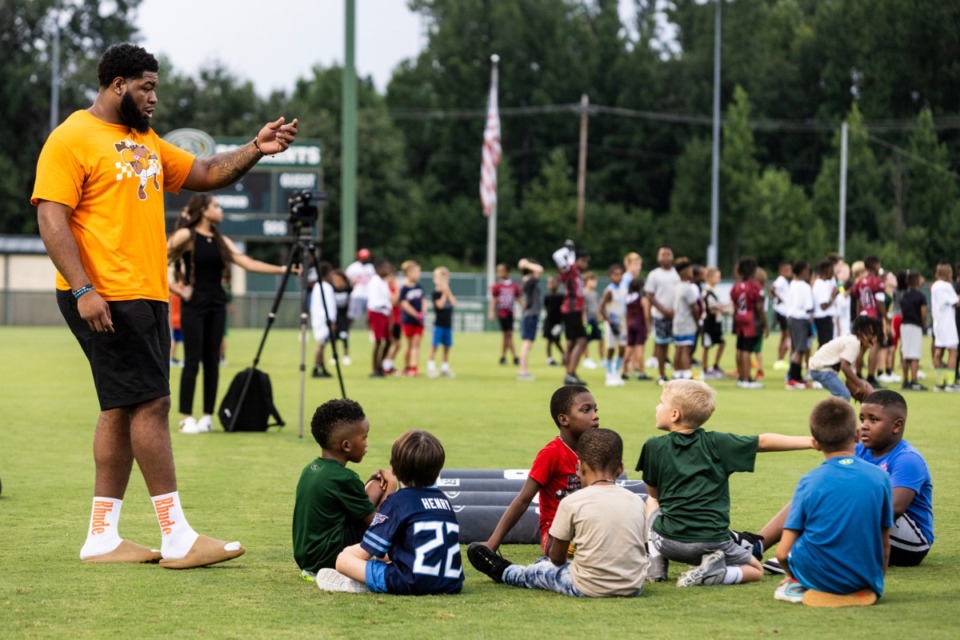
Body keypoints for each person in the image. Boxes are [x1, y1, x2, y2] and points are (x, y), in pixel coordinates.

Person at [33, 43, 297, 568]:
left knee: (121, 407)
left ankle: (102, 536)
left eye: (155, 86)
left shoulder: (144, 140)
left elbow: (204, 173)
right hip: (107, 294)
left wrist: (255, 148)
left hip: (144, 293)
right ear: (116, 85)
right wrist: (84, 289)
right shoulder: (71, 138)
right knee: (151, 403)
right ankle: (176, 535)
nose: (154, 97)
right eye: (146, 86)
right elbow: (51, 218)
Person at [636, 380, 814, 587]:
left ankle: (656, 562)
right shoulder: (718, 444)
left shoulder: (653, 446)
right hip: (715, 543)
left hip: (669, 543)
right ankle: (719, 574)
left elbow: (654, 493)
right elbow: (763, 441)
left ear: (675, 414)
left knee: (651, 502)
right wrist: (811, 441)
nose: (657, 407)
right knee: (756, 569)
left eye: (661, 402)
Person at [468, 428, 647, 597]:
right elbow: (644, 549)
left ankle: (503, 571)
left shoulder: (571, 502)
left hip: (588, 587)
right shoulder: (637, 502)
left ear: (581, 467)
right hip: (633, 586)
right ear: (621, 469)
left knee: (541, 571)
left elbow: (556, 558)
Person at [168, 194, 290, 432]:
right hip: (194, 302)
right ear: (203, 211)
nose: (220, 209)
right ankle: (186, 417)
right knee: (192, 360)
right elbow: (155, 260)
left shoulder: (220, 240)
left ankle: (206, 416)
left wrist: (284, 269)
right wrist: (178, 290)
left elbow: (247, 262)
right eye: (215, 206)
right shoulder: (187, 236)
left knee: (212, 360)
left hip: (217, 301)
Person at [770, 397, 892, 605]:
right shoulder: (881, 478)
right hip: (865, 579)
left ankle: (796, 584)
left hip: (816, 576)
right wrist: (876, 580)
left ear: (816, 444)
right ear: (856, 436)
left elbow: (782, 553)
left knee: (803, 538)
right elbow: (884, 542)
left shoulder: (809, 481)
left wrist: (792, 574)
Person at [318, 430, 464, 595]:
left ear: (393, 468)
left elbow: (366, 550)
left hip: (410, 581)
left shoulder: (397, 502)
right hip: (450, 582)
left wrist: (348, 553)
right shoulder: (445, 502)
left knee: (344, 560)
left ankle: (361, 584)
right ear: (437, 471)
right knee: (386, 556)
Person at [478, 385, 598, 555]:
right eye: (586, 410)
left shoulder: (595, 450)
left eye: (595, 409)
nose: (595, 416)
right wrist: (492, 544)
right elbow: (523, 500)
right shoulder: (551, 454)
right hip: (557, 533)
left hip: (588, 526)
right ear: (564, 420)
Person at [292, 399, 393, 580]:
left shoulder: (311, 469)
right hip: (328, 557)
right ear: (346, 445)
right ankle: (391, 558)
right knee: (384, 512)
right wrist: (392, 486)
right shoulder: (344, 478)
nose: (367, 443)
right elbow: (377, 525)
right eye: (364, 437)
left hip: (307, 558)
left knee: (376, 486)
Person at [808, 316, 882, 401]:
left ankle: (834, 411)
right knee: (843, 395)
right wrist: (860, 384)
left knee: (843, 394)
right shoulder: (854, 343)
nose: (874, 338)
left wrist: (854, 385)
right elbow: (844, 366)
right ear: (861, 332)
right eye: (871, 334)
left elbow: (847, 371)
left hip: (820, 368)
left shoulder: (853, 341)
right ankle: (828, 412)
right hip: (822, 369)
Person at [553, 241, 591, 385]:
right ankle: (570, 373)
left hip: (573, 310)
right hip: (571, 309)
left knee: (571, 342)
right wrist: (567, 249)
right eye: (585, 261)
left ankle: (570, 373)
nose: (586, 264)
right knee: (582, 341)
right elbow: (557, 256)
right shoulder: (570, 270)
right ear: (579, 260)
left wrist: (570, 251)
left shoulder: (576, 272)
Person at [645, 246, 680, 384]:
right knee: (661, 344)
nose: (665, 257)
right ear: (658, 257)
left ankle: (678, 373)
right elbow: (650, 294)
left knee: (677, 345)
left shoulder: (676, 274)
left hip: (676, 315)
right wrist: (664, 310)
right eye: (663, 254)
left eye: (668, 254)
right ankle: (661, 374)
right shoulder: (654, 274)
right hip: (660, 315)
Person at [851, 256, 887, 388]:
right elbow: (879, 302)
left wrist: (858, 318)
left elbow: (858, 301)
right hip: (873, 316)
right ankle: (871, 376)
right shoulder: (877, 282)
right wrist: (885, 318)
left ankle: (858, 375)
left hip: (862, 316)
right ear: (876, 266)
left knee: (861, 347)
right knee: (874, 346)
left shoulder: (859, 282)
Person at [730, 257, 766, 389]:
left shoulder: (737, 285)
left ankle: (740, 376)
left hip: (739, 317)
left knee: (740, 347)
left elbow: (734, 302)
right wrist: (765, 324)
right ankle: (747, 378)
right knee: (747, 349)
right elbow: (759, 307)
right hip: (751, 319)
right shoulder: (755, 286)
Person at [930, 261, 960, 391]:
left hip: (938, 322)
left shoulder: (935, 286)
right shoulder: (946, 286)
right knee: (953, 351)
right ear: (948, 273)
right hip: (948, 323)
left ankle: (939, 382)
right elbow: (956, 303)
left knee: (938, 351)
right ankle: (950, 383)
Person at [785, 260, 814, 390]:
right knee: (800, 348)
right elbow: (809, 307)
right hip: (800, 318)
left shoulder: (792, 284)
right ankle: (792, 378)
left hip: (791, 317)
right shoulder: (804, 286)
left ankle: (797, 377)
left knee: (797, 347)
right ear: (803, 271)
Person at [671, 258, 701, 380]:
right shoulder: (688, 288)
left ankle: (677, 373)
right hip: (687, 323)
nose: (691, 272)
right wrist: (697, 321)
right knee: (686, 349)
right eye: (689, 270)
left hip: (677, 323)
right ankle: (687, 374)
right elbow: (694, 307)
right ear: (683, 272)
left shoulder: (676, 286)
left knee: (678, 348)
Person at [426, 266, 458, 379]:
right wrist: (445, 293)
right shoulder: (435, 293)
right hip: (438, 324)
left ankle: (445, 368)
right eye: (441, 279)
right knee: (434, 346)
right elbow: (440, 305)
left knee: (447, 347)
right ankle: (431, 368)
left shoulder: (450, 292)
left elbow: (454, 303)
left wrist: (448, 292)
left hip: (448, 325)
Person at [899, 270, 928, 390]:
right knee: (915, 355)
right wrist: (923, 325)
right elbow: (924, 314)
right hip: (915, 325)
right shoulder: (921, 296)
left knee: (906, 353)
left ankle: (905, 380)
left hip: (904, 325)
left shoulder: (903, 295)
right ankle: (914, 381)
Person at [599, 263, 627, 386]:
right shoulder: (609, 291)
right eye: (616, 274)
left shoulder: (623, 289)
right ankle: (609, 374)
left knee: (622, 348)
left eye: (620, 274)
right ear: (610, 276)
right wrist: (610, 322)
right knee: (611, 348)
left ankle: (617, 372)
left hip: (622, 322)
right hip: (612, 322)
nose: (618, 277)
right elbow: (601, 308)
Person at [489, 262, 522, 366]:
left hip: (510, 313)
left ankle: (503, 357)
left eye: (501, 270)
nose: (499, 273)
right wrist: (491, 311)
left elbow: (518, 298)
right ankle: (514, 356)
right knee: (507, 335)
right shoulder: (497, 286)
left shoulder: (514, 286)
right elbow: (493, 300)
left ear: (507, 272)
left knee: (508, 335)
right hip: (502, 313)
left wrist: (524, 308)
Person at [309, 261, 337, 379]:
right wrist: (331, 320)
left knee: (323, 344)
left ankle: (322, 367)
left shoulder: (317, 286)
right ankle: (316, 367)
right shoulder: (326, 287)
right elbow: (329, 305)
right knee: (321, 344)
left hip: (318, 318)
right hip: (324, 320)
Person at [517, 258, 544, 381]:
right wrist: (526, 264)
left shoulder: (528, 281)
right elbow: (540, 270)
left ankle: (523, 370)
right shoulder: (529, 281)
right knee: (527, 344)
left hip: (531, 315)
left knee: (529, 344)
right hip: (530, 315)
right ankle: (522, 371)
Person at [398, 260, 426, 376]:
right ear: (408, 273)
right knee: (409, 344)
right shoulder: (404, 288)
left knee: (416, 343)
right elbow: (404, 304)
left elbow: (424, 301)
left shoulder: (419, 287)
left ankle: (414, 367)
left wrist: (423, 312)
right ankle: (407, 367)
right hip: (408, 320)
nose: (418, 274)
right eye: (416, 272)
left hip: (419, 321)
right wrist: (415, 314)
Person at [366, 260, 393, 377]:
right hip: (377, 312)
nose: (388, 270)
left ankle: (380, 365)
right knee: (378, 341)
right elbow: (374, 301)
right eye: (385, 267)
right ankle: (375, 368)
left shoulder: (383, 282)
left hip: (384, 312)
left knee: (388, 341)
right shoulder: (375, 281)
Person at [700, 267, 728, 379]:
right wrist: (722, 309)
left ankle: (715, 366)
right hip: (708, 323)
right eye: (717, 276)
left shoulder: (713, 291)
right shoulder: (706, 292)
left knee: (721, 343)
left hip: (715, 322)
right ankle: (705, 369)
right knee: (706, 346)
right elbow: (711, 309)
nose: (719, 279)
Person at [344, 248, 375, 333]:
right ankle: (346, 332)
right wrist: (351, 282)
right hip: (357, 294)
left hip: (369, 294)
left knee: (369, 317)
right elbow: (346, 278)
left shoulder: (370, 267)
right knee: (352, 316)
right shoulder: (353, 267)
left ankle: (372, 333)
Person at [770, 261, 793, 369]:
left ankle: (780, 359)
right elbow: (771, 289)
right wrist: (778, 298)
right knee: (788, 336)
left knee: (784, 336)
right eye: (787, 270)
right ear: (782, 271)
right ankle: (782, 359)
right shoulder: (781, 280)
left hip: (782, 311)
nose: (790, 272)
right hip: (783, 312)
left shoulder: (784, 281)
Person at [812, 259, 839, 348]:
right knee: (825, 344)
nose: (832, 273)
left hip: (824, 317)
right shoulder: (820, 284)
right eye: (831, 270)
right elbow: (823, 306)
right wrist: (833, 296)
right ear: (825, 271)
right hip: (823, 318)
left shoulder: (824, 283)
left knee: (824, 343)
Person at [330, 269, 353, 366]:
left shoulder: (348, 289)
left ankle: (346, 355)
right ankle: (334, 356)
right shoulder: (331, 290)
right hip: (335, 317)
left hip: (344, 317)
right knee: (334, 337)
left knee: (344, 336)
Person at [542, 275, 566, 366]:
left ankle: (564, 355)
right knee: (549, 340)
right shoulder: (547, 297)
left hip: (557, 322)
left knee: (556, 340)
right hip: (549, 322)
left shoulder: (561, 297)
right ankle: (549, 359)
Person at [582, 272, 603, 370]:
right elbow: (583, 309)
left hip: (595, 319)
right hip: (588, 319)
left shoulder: (595, 294)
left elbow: (597, 308)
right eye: (591, 280)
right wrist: (585, 323)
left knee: (601, 339)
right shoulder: (583, 293)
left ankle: (603, 359)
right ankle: (587, 359)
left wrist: (600, 320)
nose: (594, 282)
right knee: (586, 340)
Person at [169, 290, 183, 367]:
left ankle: (172, 358)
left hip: (175, 319)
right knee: (175, 339)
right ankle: (171, 358)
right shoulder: (178, 293)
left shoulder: (172, 294)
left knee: (175, 339)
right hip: (179, 320)